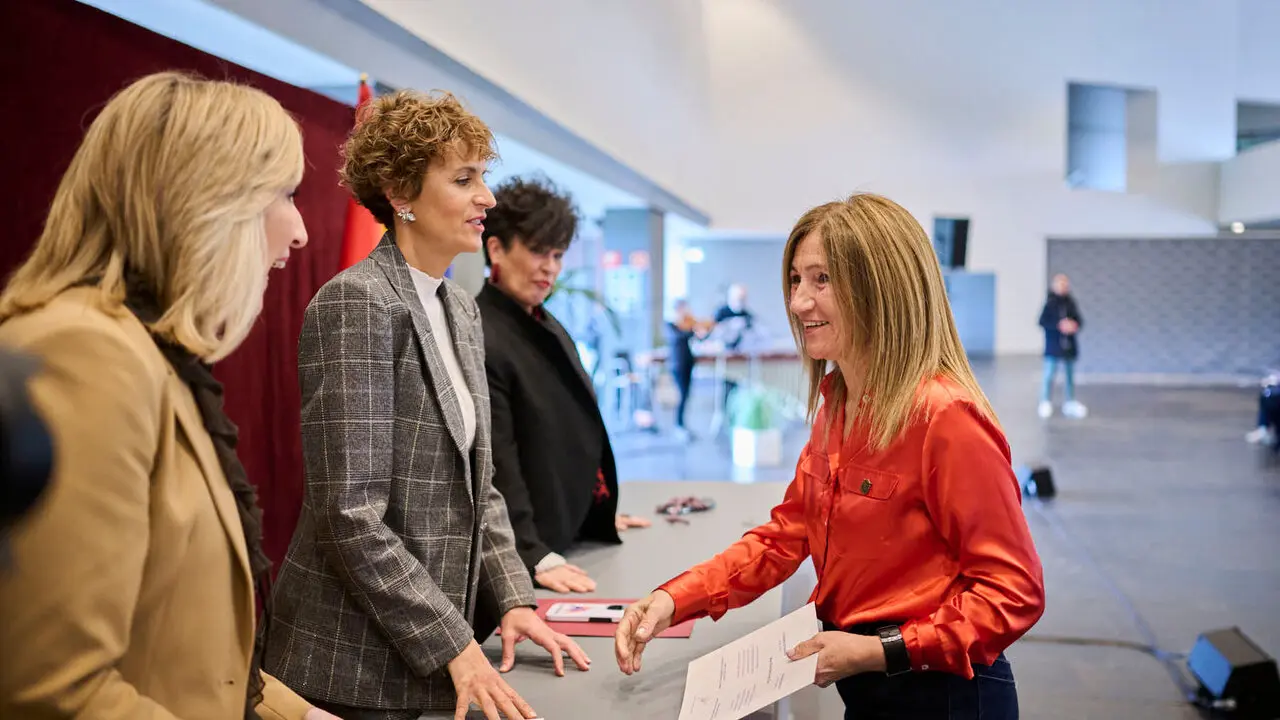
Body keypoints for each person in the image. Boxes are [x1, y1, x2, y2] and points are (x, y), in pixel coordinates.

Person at [615, 193, 1046, 719]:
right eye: (797, 280)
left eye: (822, 280)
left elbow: (1012, 591)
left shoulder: (943, 416)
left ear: (880, 289)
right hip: (867, 685)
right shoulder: (838, 401)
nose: (798, 302)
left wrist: (880, 650)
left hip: (943, 695)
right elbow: (788, 533)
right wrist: (675, 600)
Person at [0, 71, 331, 720]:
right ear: (208, 201)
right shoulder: (86, 352)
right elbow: (52, 693)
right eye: (284, 194)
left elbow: (187, 656)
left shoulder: (157, 360)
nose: (299, 232)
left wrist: (304, 715)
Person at [264, 90, 586, 720]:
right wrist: (454, 642)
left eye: (482, 178)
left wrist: (515, 599)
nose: (486, 199)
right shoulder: (357, 304)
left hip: (433, 658)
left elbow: (480, 487)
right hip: (351, 667)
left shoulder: (459, 308)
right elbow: (350, 514)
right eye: (463, 179)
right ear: (399, 191)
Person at [477, 175, 650, 595]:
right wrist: (530, 553)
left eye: (557, 254)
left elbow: (568, 427)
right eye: (538, 251)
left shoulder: (544, 322)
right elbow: (497, 458)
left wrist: (594, 511)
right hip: (530, 551)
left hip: (566, 531)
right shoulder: (482, 329)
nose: (550, 267)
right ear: (495, 248)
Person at [1038, 273, 1087, 419]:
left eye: (1065, 284)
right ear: (1054, 286)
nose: (1062, 287)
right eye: (1060, 284)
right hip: (1053, 346)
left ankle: (1069, 402)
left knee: (1069, 376)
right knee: (1049, 375)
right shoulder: (1049, 303)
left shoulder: (1071, 303)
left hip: (1069, 347)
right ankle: (1045, 401)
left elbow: (1080, 321)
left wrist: (1073, 325)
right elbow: (1042, 322)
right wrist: (1058, 326)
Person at [665, 299, 713, 439]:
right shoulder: (670, 325)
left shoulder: (688, 324)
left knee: (686, 395)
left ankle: (681, 425)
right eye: (682, 309)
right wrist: (693, 330)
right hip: (677, 364)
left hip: (688, 363)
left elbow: (699, 338)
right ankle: (678, 425)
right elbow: (679, 336)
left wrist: (703, 332)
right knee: (682, 395)